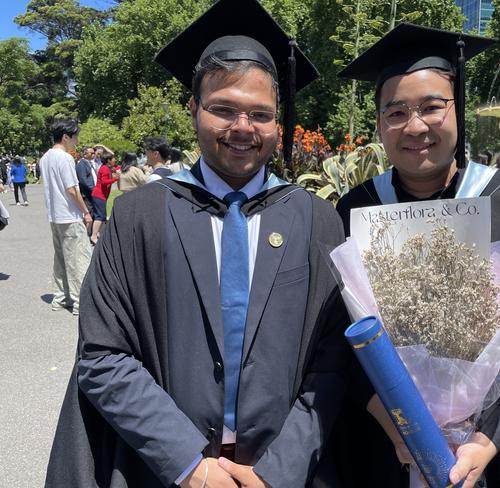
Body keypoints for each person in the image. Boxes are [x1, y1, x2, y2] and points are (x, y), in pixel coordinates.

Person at [45, 0, 349, 487]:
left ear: (278, 120)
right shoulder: (140, 215)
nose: (243, 128)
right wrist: (188, 464)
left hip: (284, 473)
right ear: (193, 109)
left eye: (260, 113)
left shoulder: (316, 219)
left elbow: (334, 362)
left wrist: (280, 470)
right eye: (223, 109)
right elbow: (103, 354)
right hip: (163, 469)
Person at [332, 24, 500, 488]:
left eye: (431, 107)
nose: (415, 126)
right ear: (380, 123)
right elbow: (334, 344)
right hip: (388, 448)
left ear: (457, 110)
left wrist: (488, 438)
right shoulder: (353, 211)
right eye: (396, 112)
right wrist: (401, 425)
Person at [39, 119, 93, 316]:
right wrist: (85, 212)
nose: (76, 140)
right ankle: (80, 302)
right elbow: (71, 189)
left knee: (61, 259)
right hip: (69, 215)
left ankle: (61, 297)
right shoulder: (65, 158)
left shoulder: (45, 158)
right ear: (65, 137)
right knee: (78, 259)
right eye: (74, 136)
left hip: (54, 215)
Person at [90, 152, 119, 245]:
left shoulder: (106, 168)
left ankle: (100, 234)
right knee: (100, 216)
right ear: (108, 160)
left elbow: (117, 168)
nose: (115, 160)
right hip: (99, 195)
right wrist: (115, 179)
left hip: (100, 195)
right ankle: (94, 236)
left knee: (102, 216)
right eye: (113, 158)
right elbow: (104, 182)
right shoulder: (105, 169)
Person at [76, 147, 97, 232]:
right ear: (85, 154)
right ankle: (84, 233)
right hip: (87, 194)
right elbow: (83, 180)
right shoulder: (81, 164)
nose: (93, 154)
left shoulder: (89, 163)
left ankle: (91, 233)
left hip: (93, 193)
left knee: (93, 213)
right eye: (91, 153)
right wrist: (92, 190)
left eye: (93, 153)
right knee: (88, 214)